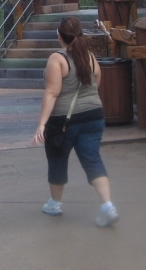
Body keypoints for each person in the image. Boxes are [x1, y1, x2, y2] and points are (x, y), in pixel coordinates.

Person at [32, 16, 118, 227]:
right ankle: (107, 206)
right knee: (92, 159)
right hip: (94, 116)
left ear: (59, 36)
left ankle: (55, 204)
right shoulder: (91, 57)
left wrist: (41, 124)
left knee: (57, 159)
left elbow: (52, 92)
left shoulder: (57, 59)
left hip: (64, 121)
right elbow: (96, 83)